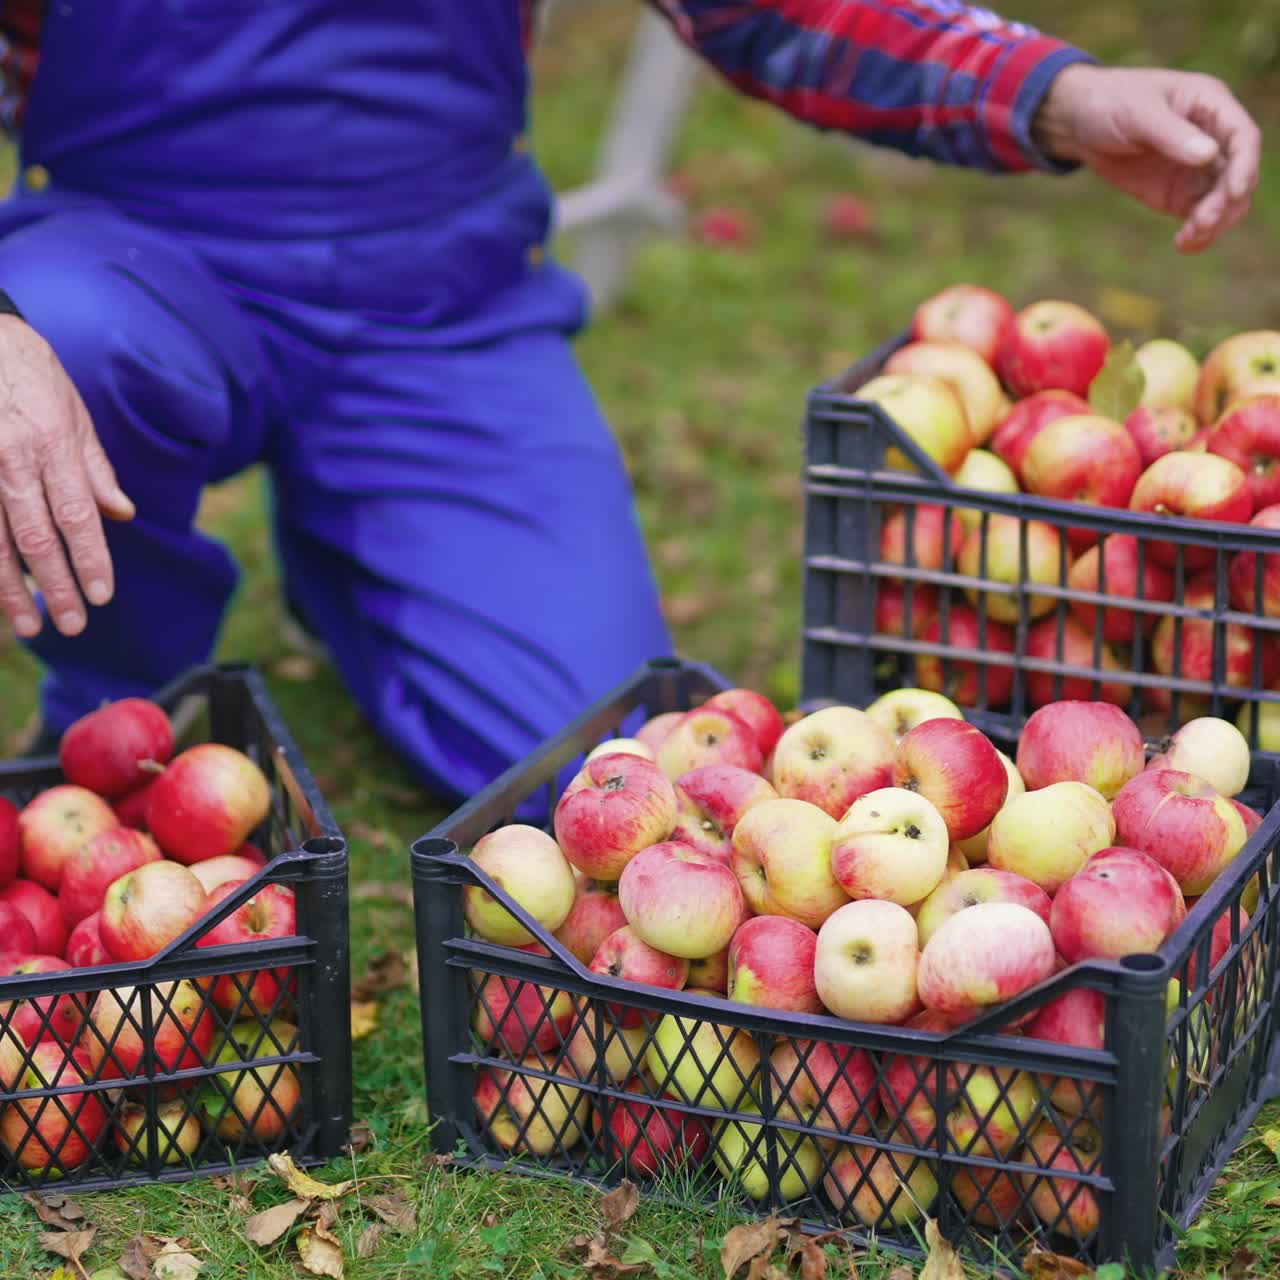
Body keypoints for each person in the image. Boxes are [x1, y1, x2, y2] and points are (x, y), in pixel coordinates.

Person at [0, 2, 1262, 804]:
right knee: (68, 339)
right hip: (130, 261)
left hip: (433, 306)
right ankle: (120, 694)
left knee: (602, 767)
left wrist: (1047, 92)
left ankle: (364, 560)